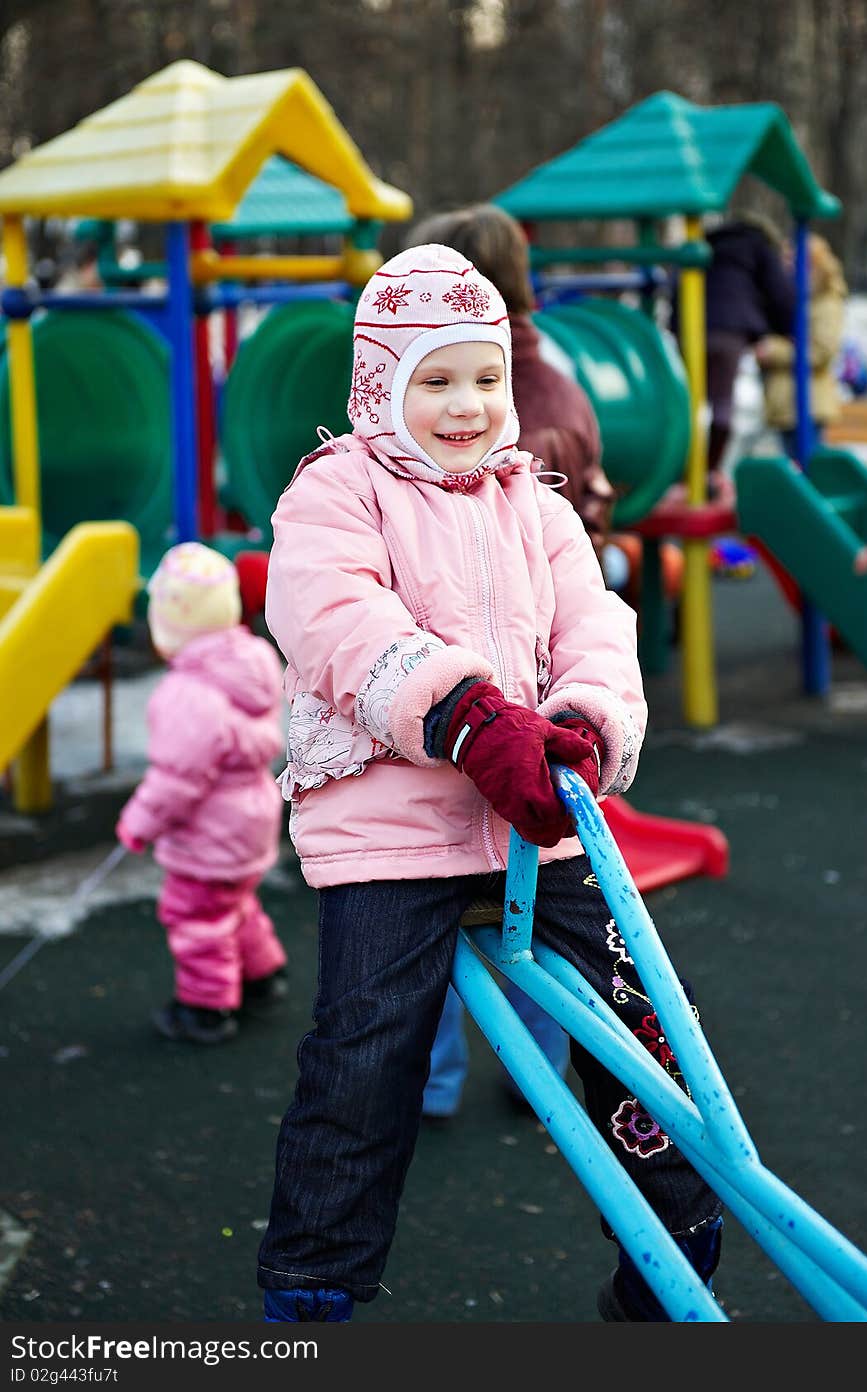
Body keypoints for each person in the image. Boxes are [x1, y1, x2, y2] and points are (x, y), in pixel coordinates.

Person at [257, 243, 724, 1323]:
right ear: (380, 384)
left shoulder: (536, 503)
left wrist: (582, 724)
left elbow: (596, 627)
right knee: (365, 1045)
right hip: (397, 823)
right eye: (433, 380)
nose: (464, 406)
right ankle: (315, 1279)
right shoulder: (337, 492)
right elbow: (334, 619)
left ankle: (671, 1235)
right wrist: (466, 713)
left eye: (482, 377)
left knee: (646, 1014)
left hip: (537, 821)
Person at [404, 202, 617, 1117]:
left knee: (437, 919)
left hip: (472, 721)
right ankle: (534, 1076)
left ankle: (435, 1081)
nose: (467, 402)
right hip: (512, 709)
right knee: (524, 916)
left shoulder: (497, 426)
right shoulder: (558, 385)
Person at [116, 542, 288, 1044]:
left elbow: (176, 782)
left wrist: (137, 824)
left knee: (196, 917)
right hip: (251, 820)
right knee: (235, 903)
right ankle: (262, 975)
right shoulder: (252, 661)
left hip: (209, 831)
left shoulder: (188, 695)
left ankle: (205, 1008)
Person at [691, 213, 796, 490]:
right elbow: (779, 293)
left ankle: (686, 470)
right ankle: (709, 471)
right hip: (730, 330)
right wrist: (787, 328)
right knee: (722, 403)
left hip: (692, 325)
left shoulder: (707, 243)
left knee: (690, 403)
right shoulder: (758, 245)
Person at [755, 233, 848, 461]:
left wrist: (774, 350)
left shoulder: (825, 300)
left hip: (808, 404)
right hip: (785, 404)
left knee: (807, 471)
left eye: (792, 261)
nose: (786, 268)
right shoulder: (793, 300)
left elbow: (821, 351)